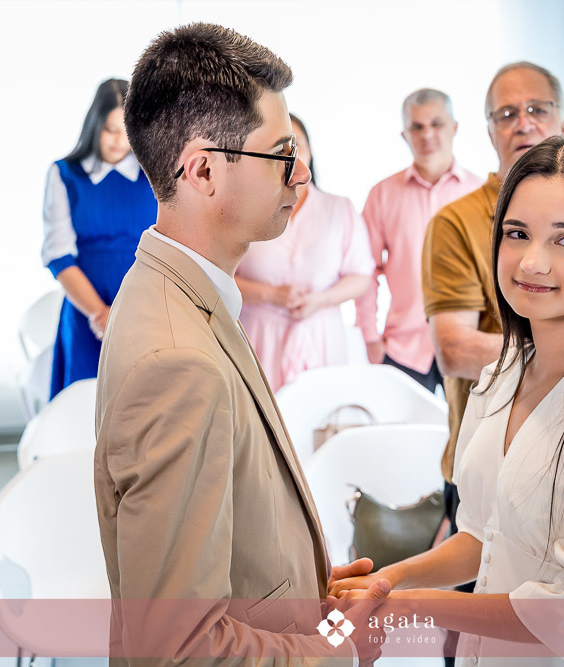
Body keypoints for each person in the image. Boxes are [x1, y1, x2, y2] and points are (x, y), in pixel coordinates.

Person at [332, 136, 564, 667]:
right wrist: (392, 579)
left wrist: (418, 607)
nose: (532, 261)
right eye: (517, 233)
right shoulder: (506, 374)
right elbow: (487, 537)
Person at [93, 23, 388, 665]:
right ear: (202, 170)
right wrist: (341, 647)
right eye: (281, 154)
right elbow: (178, 649)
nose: (301, 173)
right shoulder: (178, 361)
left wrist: (306, 597)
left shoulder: (178, 290)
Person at [421, 62, 564, 608]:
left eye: (537, 110)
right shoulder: (458, 224)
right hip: (486, 465)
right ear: (488, 131)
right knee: (470, 624)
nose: (523, 123)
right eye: (507, 113)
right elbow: (457, 349)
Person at [355, 89, 482, 392]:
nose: (427, 134)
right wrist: (371, 338)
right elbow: (365, 270)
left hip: (470, 342)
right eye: (417, 126)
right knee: (401, 439)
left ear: (454, 128)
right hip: (403, 349)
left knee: (469, 438)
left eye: (436, 124)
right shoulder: (382, 195)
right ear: (404, 134)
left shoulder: (483, 195)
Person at [235, 113, 374, 392]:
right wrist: (271, 295)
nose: (292, 158)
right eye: (281, 150)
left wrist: (320, 300)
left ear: (311, 153)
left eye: (299, 148)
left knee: (322, 422)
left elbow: (361, 276)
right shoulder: (242, 211)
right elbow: (220, 275)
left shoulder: (340, 209)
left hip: (322, 338)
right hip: (259, 336)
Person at [41, 78, 158, 399]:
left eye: (127, 130)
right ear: (94, 125)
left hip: (146, 314)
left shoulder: (155, 174)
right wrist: (100, 315)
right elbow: (59, 256)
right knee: (83, 414)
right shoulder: (65, 175)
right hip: (87, 315)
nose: (120, 141)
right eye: (110, 130)